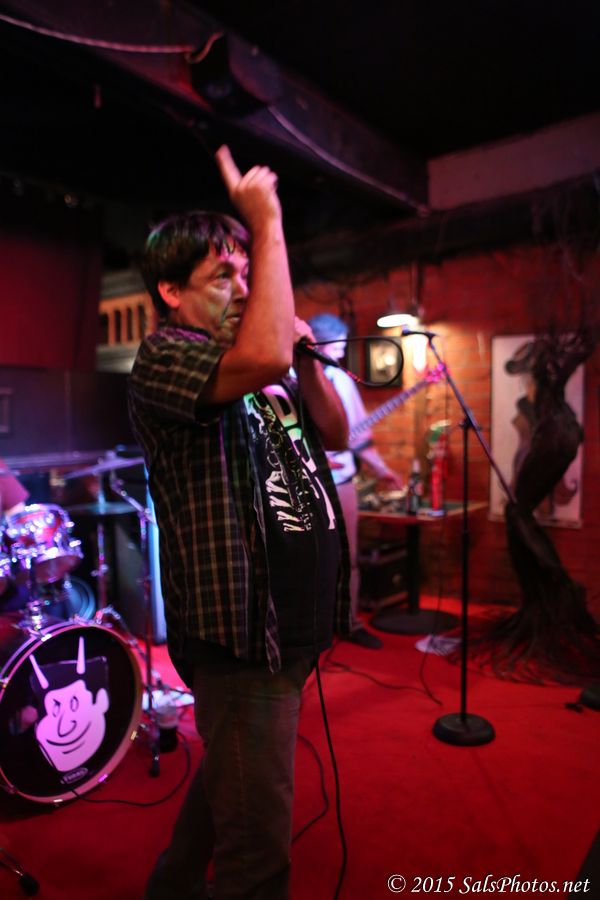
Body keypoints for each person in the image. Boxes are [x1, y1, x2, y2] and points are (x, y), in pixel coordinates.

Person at [128, 146, 351, 900]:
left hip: (293, 626)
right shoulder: (168, 356)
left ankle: (170, 886)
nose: (244, 289)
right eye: (223, 275)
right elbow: (260, 353)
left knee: (235, 775)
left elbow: (336, 433)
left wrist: (306, 361)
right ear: (170, 291)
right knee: (257, 859)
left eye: (247, 273)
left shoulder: (266, 366)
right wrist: (267, 222)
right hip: (241, 636)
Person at [308, 314, 403, 649]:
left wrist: (381, 469)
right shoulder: (290, 375)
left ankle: (348, 622)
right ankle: (311, 625)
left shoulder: (340, 379)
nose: (340, 352)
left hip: (341, 479)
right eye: (336, 346)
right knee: (309, 555)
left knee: (347, 554)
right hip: (304, 479)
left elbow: (358, 434)